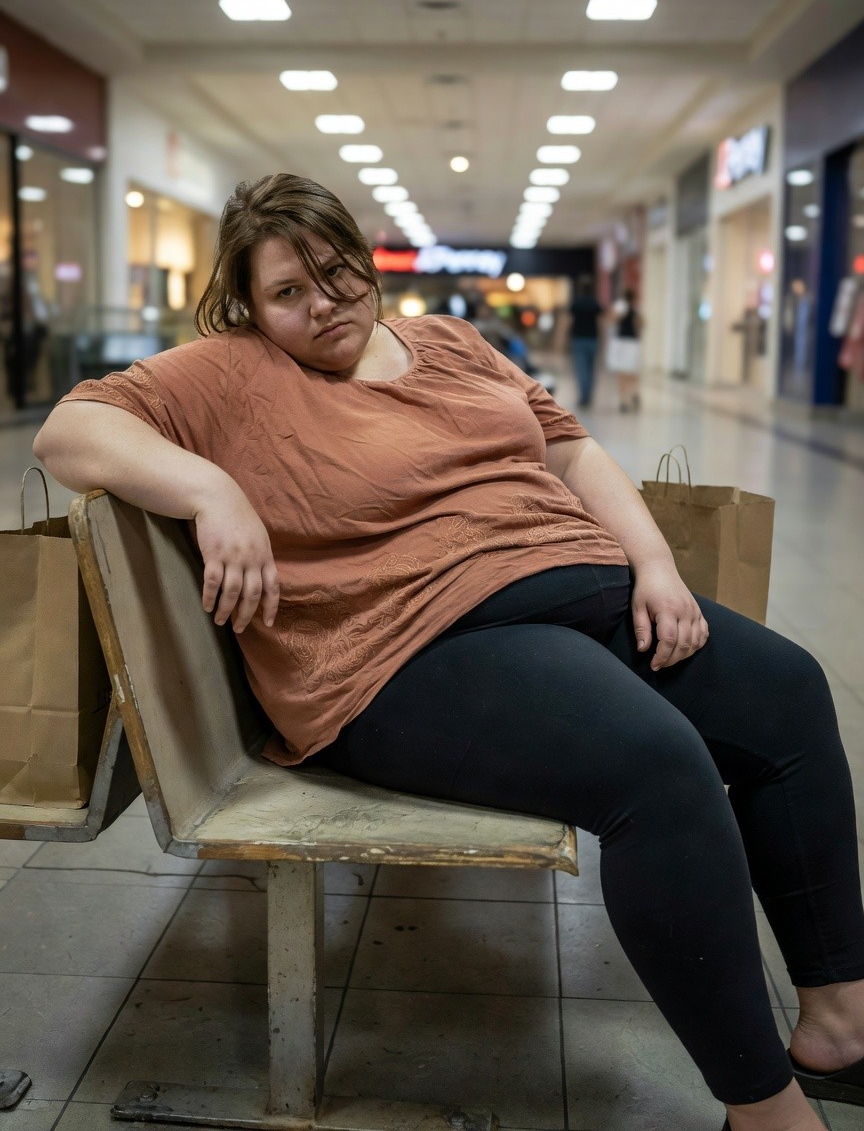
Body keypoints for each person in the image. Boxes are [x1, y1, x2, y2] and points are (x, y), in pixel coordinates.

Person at [33, 174, 864, 1131]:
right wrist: (210, 490)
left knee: (790, 693)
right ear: (249, 305)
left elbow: (569, 450)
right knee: (659, 769)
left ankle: (837, 1025)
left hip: (573, 586)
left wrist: (654, 563)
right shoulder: (231, 370)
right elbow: (70, 429)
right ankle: (763, 1110)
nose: (323, 306)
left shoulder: (450, 341)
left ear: (365, 262)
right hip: (401, 648)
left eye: (337, 275)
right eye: (287, 294)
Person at [568, 273, 604, 408]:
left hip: (578, 339)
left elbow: (569, 322)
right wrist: (603, 340)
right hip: (592, 339)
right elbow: (600, 323)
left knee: (581, 368)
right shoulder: (595, 304)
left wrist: (561, 339)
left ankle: (583, 396)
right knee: (591, 369)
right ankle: (588, 395)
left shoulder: (576, 303)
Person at [607, 287, 643, 412]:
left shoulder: (632, 308)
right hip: (628, 343)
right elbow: (641, 325)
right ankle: (627, 397)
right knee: (628, 373)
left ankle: (626, 398)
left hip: (625, 343)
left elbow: (612, 321)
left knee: (626, 374)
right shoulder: (625, 308)